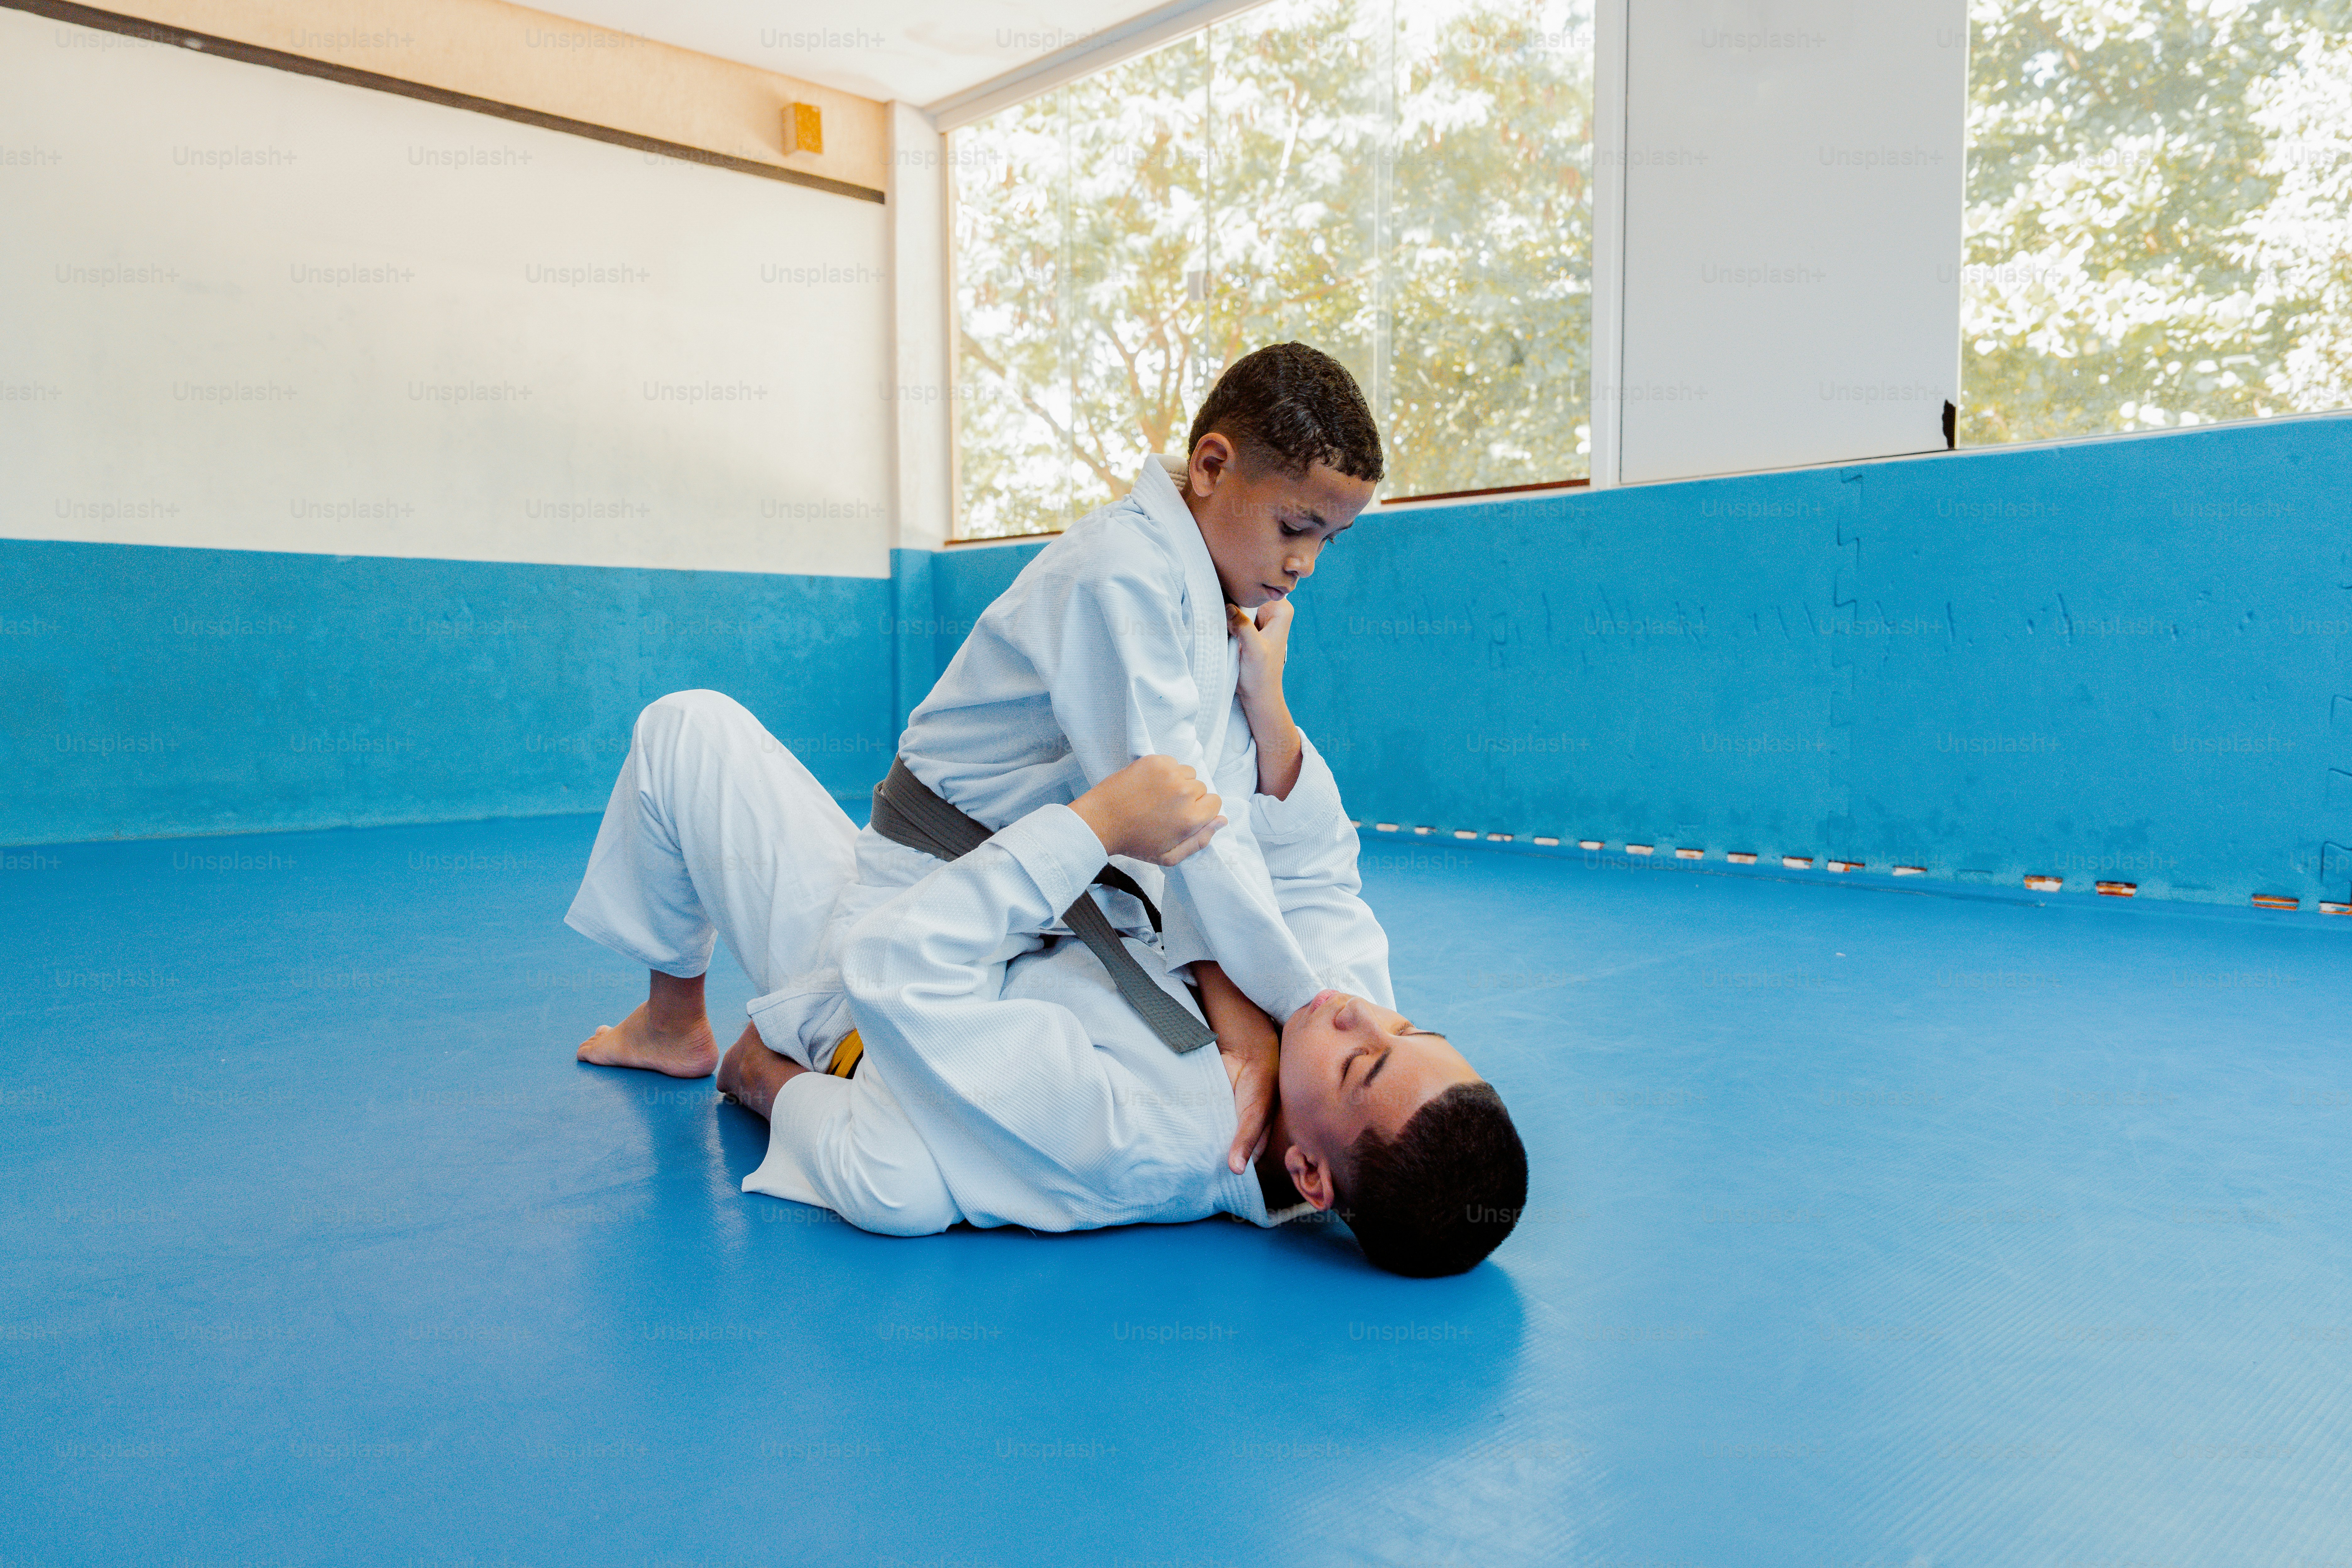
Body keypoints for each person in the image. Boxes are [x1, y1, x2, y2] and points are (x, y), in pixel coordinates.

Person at [563, 689, 1528, 1276]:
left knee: (687, 728)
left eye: (1364, 1061)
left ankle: (680, 1029)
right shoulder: (1327, 1038)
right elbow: (1319, 873)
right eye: (1408, 1027)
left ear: (1309, 1176)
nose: (1357, 1009)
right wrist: (1268, 707)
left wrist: (1099, 824)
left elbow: (897, 971)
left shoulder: (1143, 1134)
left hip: (870, 974)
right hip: (987, 895)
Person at [706, 343, 1391, 1165]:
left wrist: (1263, 694)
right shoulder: (1121, 574)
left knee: (1114, 1096)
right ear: (1211, 466)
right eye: (1295, 527)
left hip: (1066, 897)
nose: (1304, 563)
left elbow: (1228, 810)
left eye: (1330, 540)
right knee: (913, 1147)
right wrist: (1282, 1013)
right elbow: (1182, 815)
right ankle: (746, 1057)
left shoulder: (1213, 593)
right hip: (935, 887)